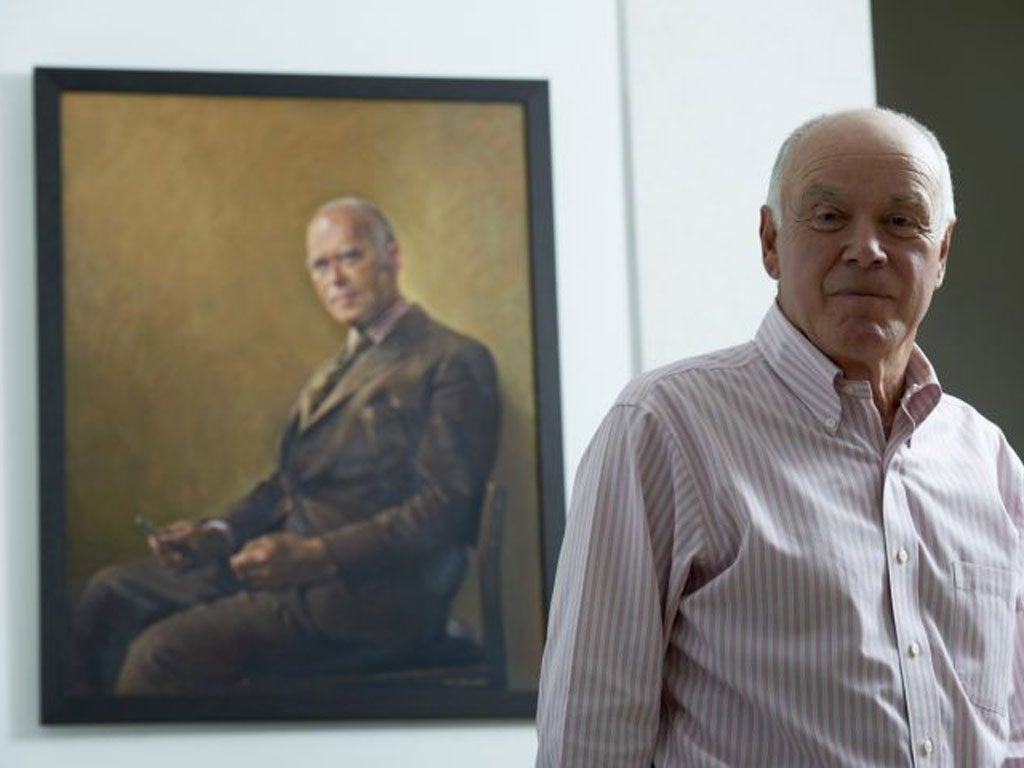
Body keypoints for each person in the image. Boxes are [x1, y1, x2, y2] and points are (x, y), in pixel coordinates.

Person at [536, 108, 1024, 765]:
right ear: (770, 242)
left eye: (901, 221)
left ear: (941, 254)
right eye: (828, 216)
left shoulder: (989, 462)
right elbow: (588, 735)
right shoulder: (663, 427)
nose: (867, 248)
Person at [73, 197, 500, 695]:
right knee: (108, 595)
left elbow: (444, 508)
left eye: (351, 256)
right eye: (321, 265)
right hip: (289, 568)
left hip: (371, 599)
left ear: (393, 257)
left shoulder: (452, 359)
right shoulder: (336, 369)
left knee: (158, 656)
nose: (336, 278)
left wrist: (318, 555)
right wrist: (219, 533)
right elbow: (287, 485)